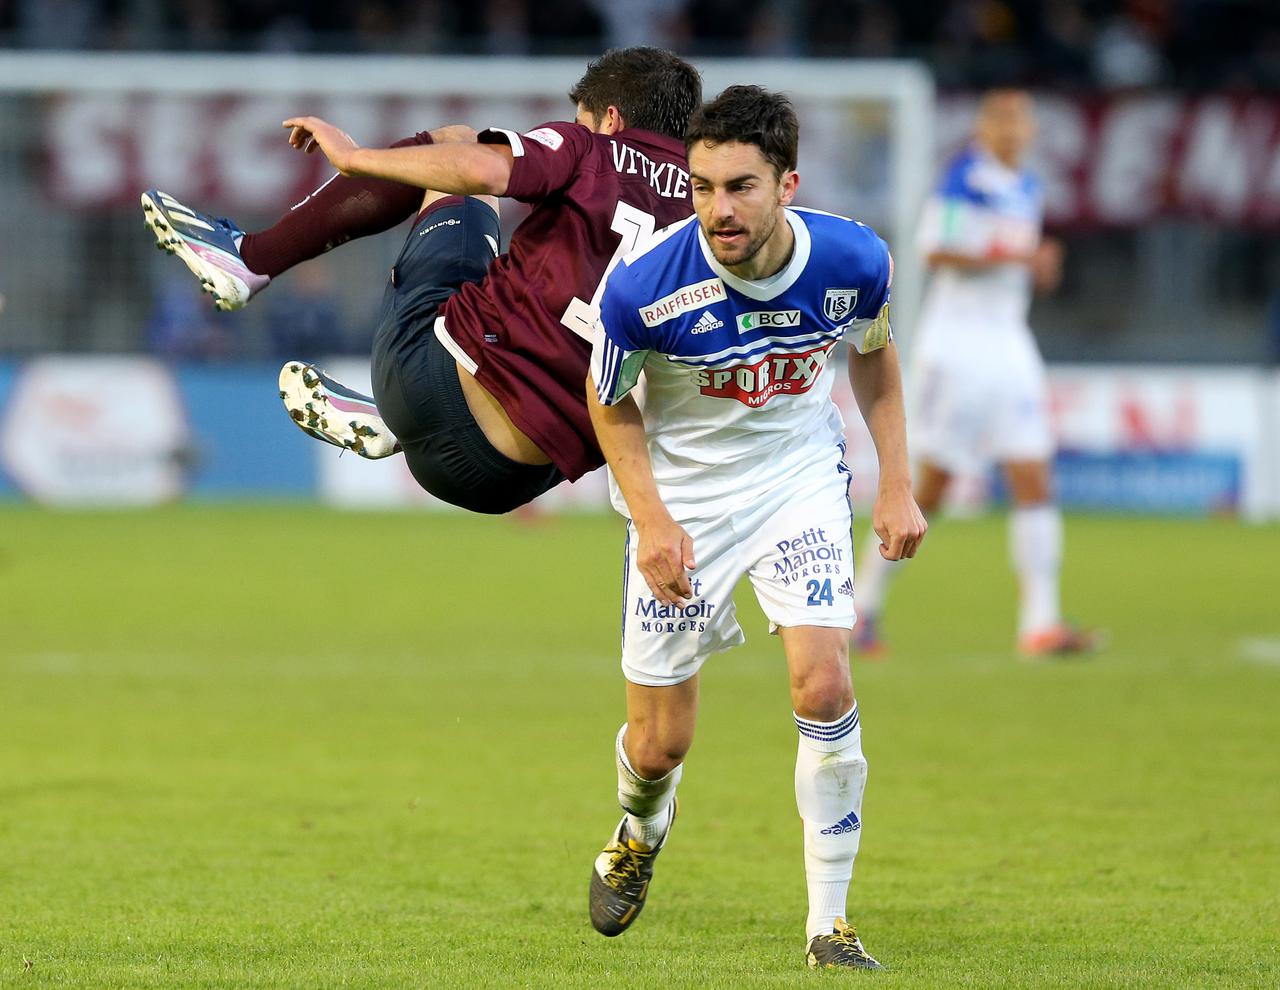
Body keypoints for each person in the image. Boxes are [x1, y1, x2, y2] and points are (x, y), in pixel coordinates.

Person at [584, 86, 927, 970]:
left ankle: (830, 924)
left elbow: (874, 358)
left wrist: (896, 485)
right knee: (661, 743)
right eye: (700, 187)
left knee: (823, 685)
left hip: (797, 484)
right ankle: (639, 827)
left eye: (739, 187)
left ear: (787, 184)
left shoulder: (853, 260)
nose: (716, 209)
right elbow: (608, 399)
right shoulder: (642, 285)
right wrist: (651, 518)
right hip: (685, 504)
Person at [141, 47, 701, 513]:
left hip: (436, 387)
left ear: (609, 119)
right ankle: (391, 425)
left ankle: (251, 259)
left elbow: (480, 167)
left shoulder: (591, 149)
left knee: (455, 141)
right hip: (515, 482)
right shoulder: (709, 221)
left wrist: (356, 157)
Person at [853, 88, 1098, 659]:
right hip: (956, 349)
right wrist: (1018, 256)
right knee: (931, 488)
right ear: (984, 128)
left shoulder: (1027, 187)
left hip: (1010, 345)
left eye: (1021, 119)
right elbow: (935, 249)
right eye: (1001, 119)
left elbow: (1011, 261)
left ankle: (1040, 624)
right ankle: (863, 608)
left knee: (1034, 475)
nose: (1012, 129)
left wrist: (1035, 266)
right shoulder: (965, 179)